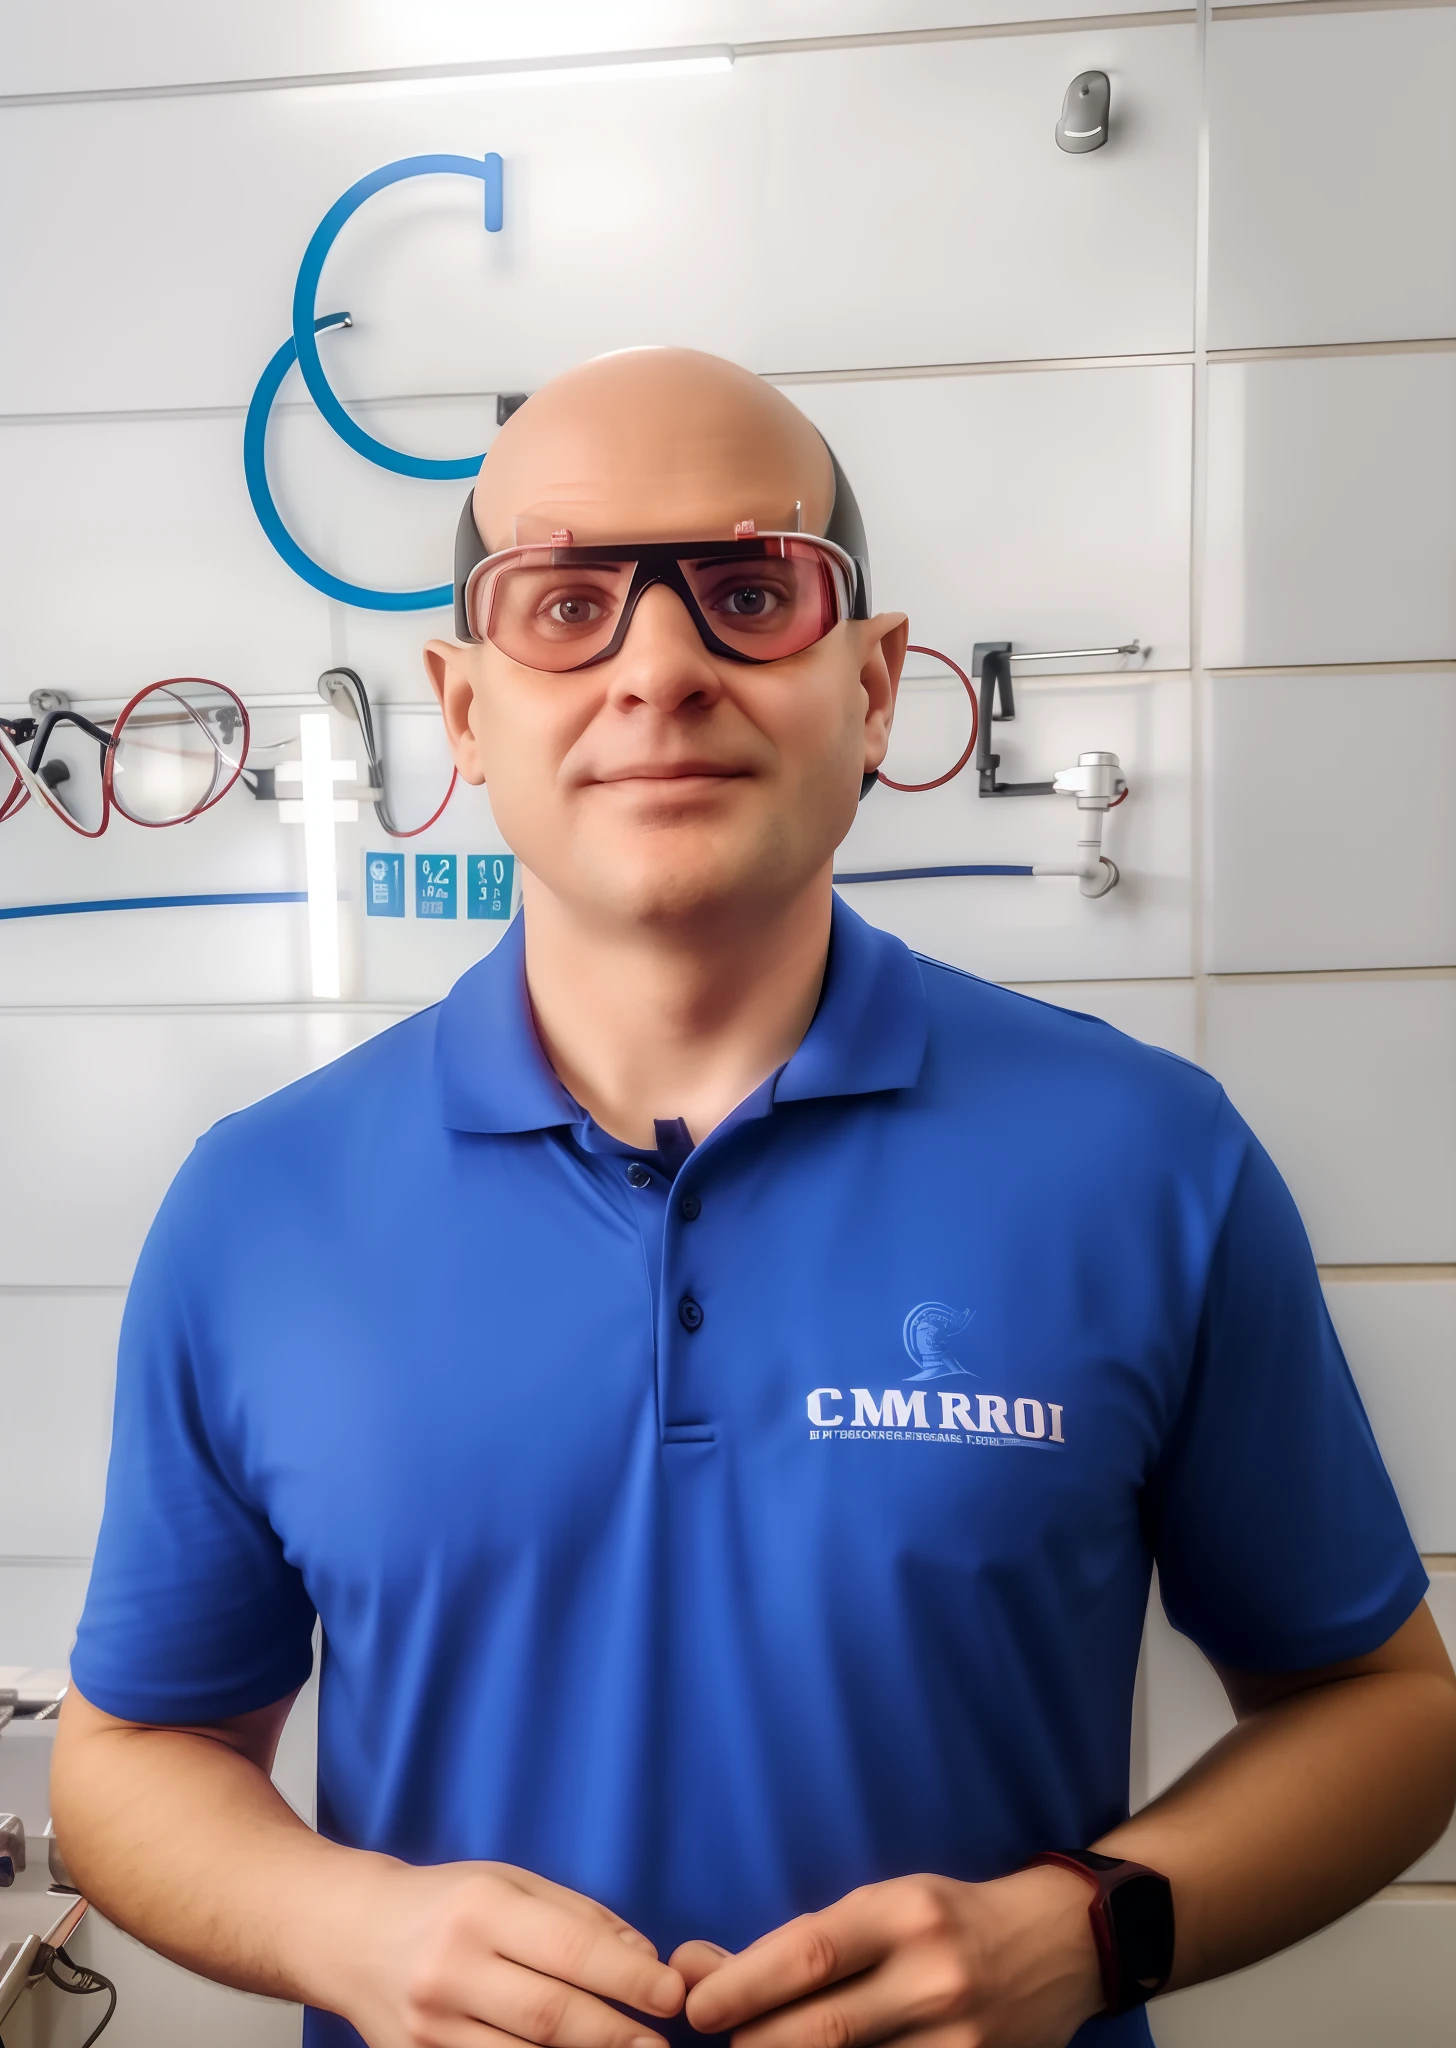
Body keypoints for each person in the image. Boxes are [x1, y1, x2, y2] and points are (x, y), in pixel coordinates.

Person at [53, 348, 1456, 2048]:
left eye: (746, 590)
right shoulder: (257, 1208)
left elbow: (1382, 1715)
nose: (660, 668)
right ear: (468, 706)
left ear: (872, 689)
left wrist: (1096, 1932)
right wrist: (341, 1926)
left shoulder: (1151, 1159)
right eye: (566, 601)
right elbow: (133, 1755)